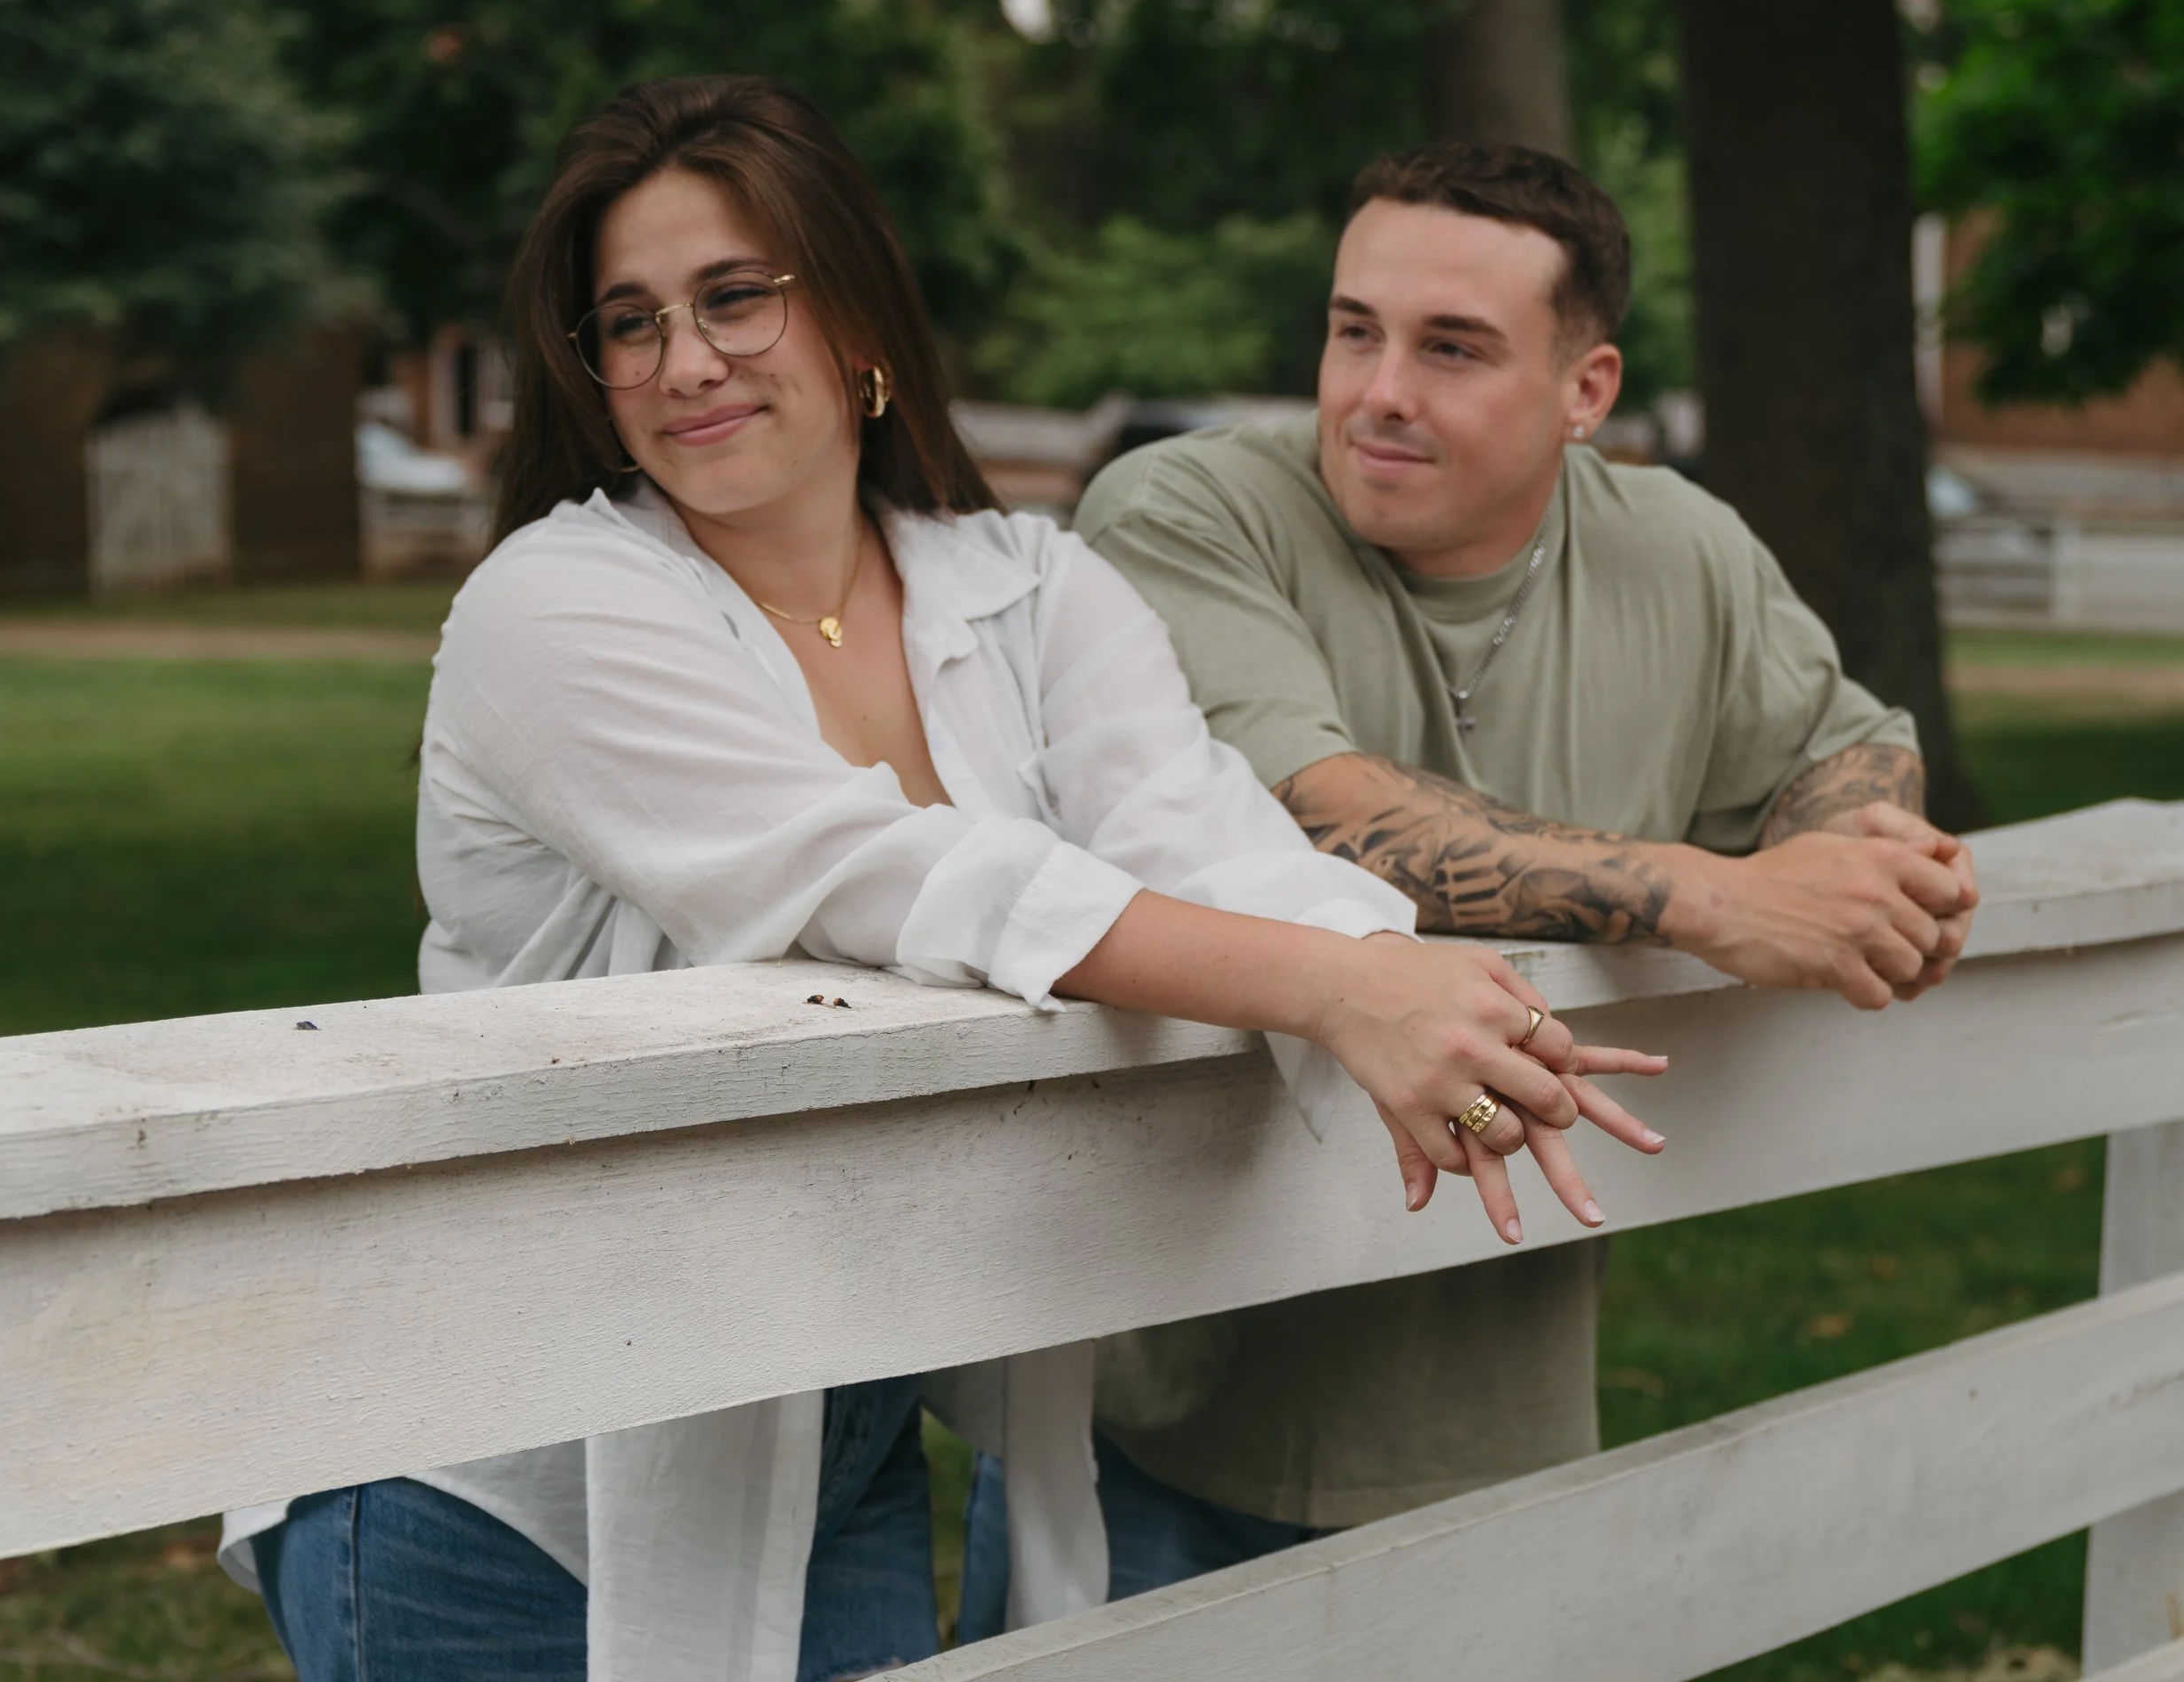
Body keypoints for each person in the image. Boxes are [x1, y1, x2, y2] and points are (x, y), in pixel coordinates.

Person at [214, 84, 1663, 1682]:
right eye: (628, 321)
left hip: (827, 1438)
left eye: (735, 295)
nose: (684, 358)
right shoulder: (551, 610)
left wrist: (1421, 999)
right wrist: (1346, 991)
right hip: (498, 1464)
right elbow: (904, 876)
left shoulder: (1032, 587)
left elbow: (1206, 835)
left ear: (854, 315)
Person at [957, 140, 1982, 1631]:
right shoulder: (1184, 513)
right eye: (1353, 328)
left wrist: (1855, 851)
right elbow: (1311, 821)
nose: (1378, 389)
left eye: (1452, 349)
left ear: (1587, 390)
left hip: (1496, 1417)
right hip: (1160, 1417)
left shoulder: (1679, 551)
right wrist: (1711, 895)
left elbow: (1847, 749)